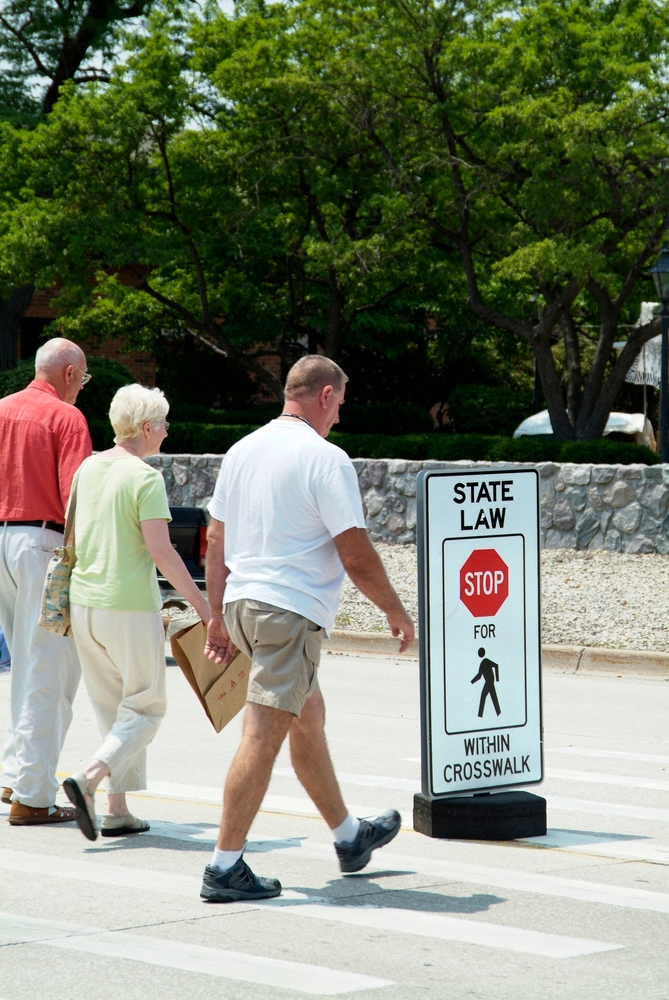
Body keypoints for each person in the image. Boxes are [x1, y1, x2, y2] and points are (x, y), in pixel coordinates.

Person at [202, 355, 415, 903]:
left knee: (308, 717)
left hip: (248, 608)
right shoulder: (326, 459)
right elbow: (355, 551)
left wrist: (216, 615)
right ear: (324, 395)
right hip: (288, 614)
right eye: (339, 403)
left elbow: (217, 541)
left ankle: (349, 837)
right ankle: (224, 867)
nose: (339, 415)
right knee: (261, 735)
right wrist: (395, 610)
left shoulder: (242, 450)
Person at [61, 384, 210, 841]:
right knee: (147, 708)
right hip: (128, 606)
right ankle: (89, 780)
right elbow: (162, 552)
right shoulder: (145, 478)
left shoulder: (88, 467)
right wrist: (203, 605)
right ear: (147, 428)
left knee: (113, 708)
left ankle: (118, 810)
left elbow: (69, 538)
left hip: (84, 602)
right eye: (163, 423)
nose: (167, 431)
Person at [0, 339, 92, 825]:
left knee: (24, 661)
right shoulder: (66, 418)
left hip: (2, 542)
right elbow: (75, 499)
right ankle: (32, 794)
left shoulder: (3, 409)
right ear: (71, 374)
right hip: (42, 542)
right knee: (48, 667)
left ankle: (18, 773)